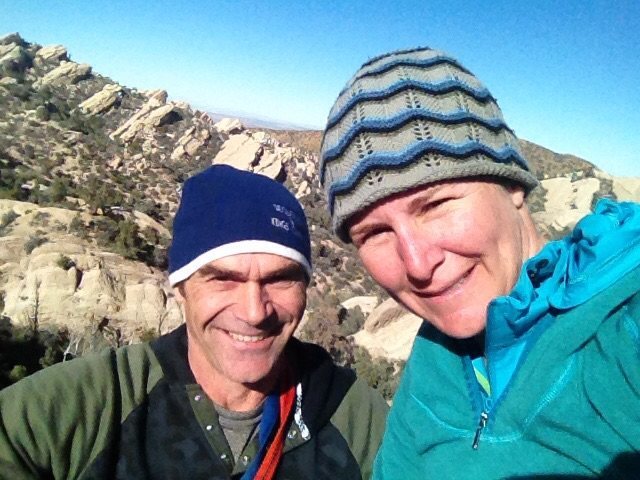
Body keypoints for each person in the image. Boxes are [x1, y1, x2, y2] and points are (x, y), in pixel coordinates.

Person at [319, 47, 640, 478]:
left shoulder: (623, 324)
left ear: (512, 186)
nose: (417, 263)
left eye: (435, 205)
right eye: (375, 233)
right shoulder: (435, 360)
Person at [0, 165, 388, 479]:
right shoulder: (95, 402)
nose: (254, 312)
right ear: (180, 287)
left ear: (305, 287)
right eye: (223, 279)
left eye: (279, 278)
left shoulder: (352, 413)